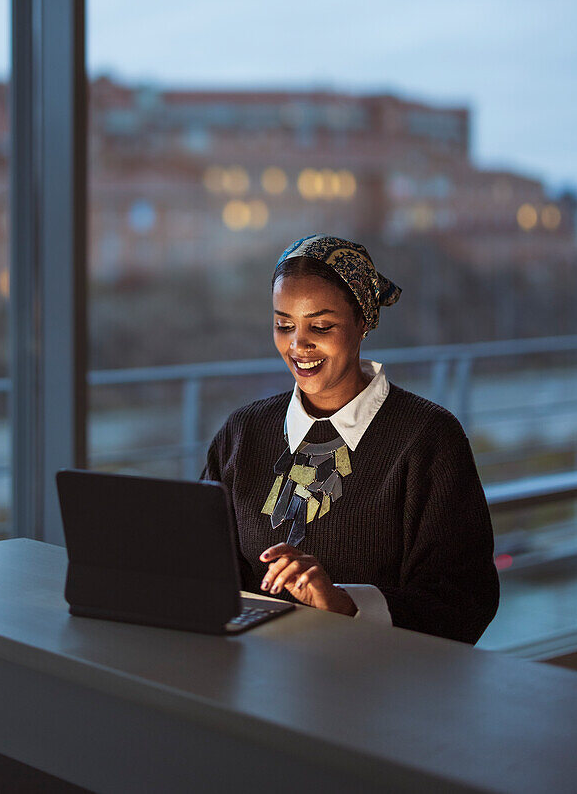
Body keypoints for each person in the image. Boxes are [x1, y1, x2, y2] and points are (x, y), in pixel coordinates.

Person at [201, 234, 500, 644]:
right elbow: (204, 566)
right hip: (254, 675)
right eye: (283, 325)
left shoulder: (428, 438)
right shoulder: (242, 432)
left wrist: (345, 605)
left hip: (377, 690)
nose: (297, 345)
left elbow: (466, 601)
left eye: (320, 326)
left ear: (363, 322)